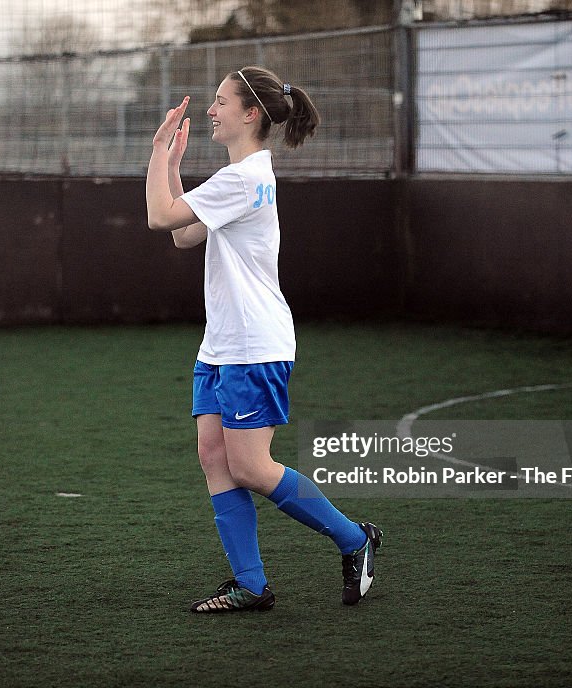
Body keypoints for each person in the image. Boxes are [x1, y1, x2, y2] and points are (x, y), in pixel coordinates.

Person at [146, 67, 382, 612]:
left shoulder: (245, 178)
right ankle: (250, 584)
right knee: (214, 457)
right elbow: (185, 234)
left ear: (251, 114)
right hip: (222, 346)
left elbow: (160, 217)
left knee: (251, 466)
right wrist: (175, 166)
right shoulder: (239, 177)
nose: (210, 109)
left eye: (221, 101)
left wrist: (159, 151)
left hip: (255, 346)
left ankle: (354, 539)